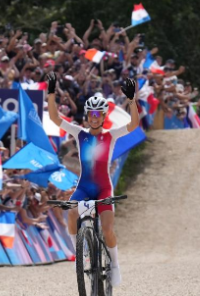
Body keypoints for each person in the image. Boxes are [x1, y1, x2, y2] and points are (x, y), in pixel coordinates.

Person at [46, 73, 139, 286]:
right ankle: (79, 253)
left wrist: (132, 101)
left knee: (107, 230)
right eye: (91, 114)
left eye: (98, 113)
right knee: (71, 213)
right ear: (87, 115)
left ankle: (115, 265)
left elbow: (133, 124)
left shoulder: (111, 135)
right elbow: (54, 118)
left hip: (104, 188)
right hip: (85, 187)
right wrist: (51, 94)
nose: (95, 117)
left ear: (103, 115)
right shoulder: (79, 133)